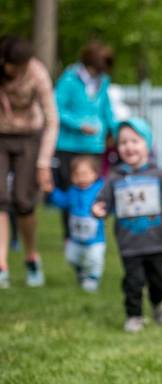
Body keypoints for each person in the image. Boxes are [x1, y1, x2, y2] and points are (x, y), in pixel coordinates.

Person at [92, 118, 162, 332]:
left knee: (159, 281)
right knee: (133, 282)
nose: (129, 147)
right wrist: (98, 209)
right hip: (129, 244)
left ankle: (158, 303)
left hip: (156, 242)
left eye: (135, 141)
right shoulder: (114, 178)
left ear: (147, 144)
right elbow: (102, 201)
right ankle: (134, 316)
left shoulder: (160, 175)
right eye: (123, 143)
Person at [0, 35, 58, 288]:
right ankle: (1, 265)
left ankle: (31, 256)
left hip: (29, 137)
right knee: (0, 199)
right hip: (1, 135)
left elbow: (52, 120)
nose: (19, 70)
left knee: (24, 201)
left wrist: (44, 162)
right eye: (14, 66)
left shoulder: (36, 73)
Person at [53, 40, 117, 241]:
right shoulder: (70, 80)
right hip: (69, 146)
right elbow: (56, 108)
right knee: (72, 192)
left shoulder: (103, 81)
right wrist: (78, 124)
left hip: (94, 147)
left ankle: (94, 233)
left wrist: (116, 132)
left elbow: (106, 109)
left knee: (95, 191)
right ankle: (70, 235)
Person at [48, 155, 106, 291]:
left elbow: (109, 202)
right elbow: (63, 201)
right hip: (75, 238)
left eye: (85, 174)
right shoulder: (72, 191)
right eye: (77, 174)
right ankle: (81, 271)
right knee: (71, 258)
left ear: (95, 174)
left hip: (95, 239)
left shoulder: (99, 190)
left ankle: (93, 277)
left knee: (95, 259)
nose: (81, 178)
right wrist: (52, 192)